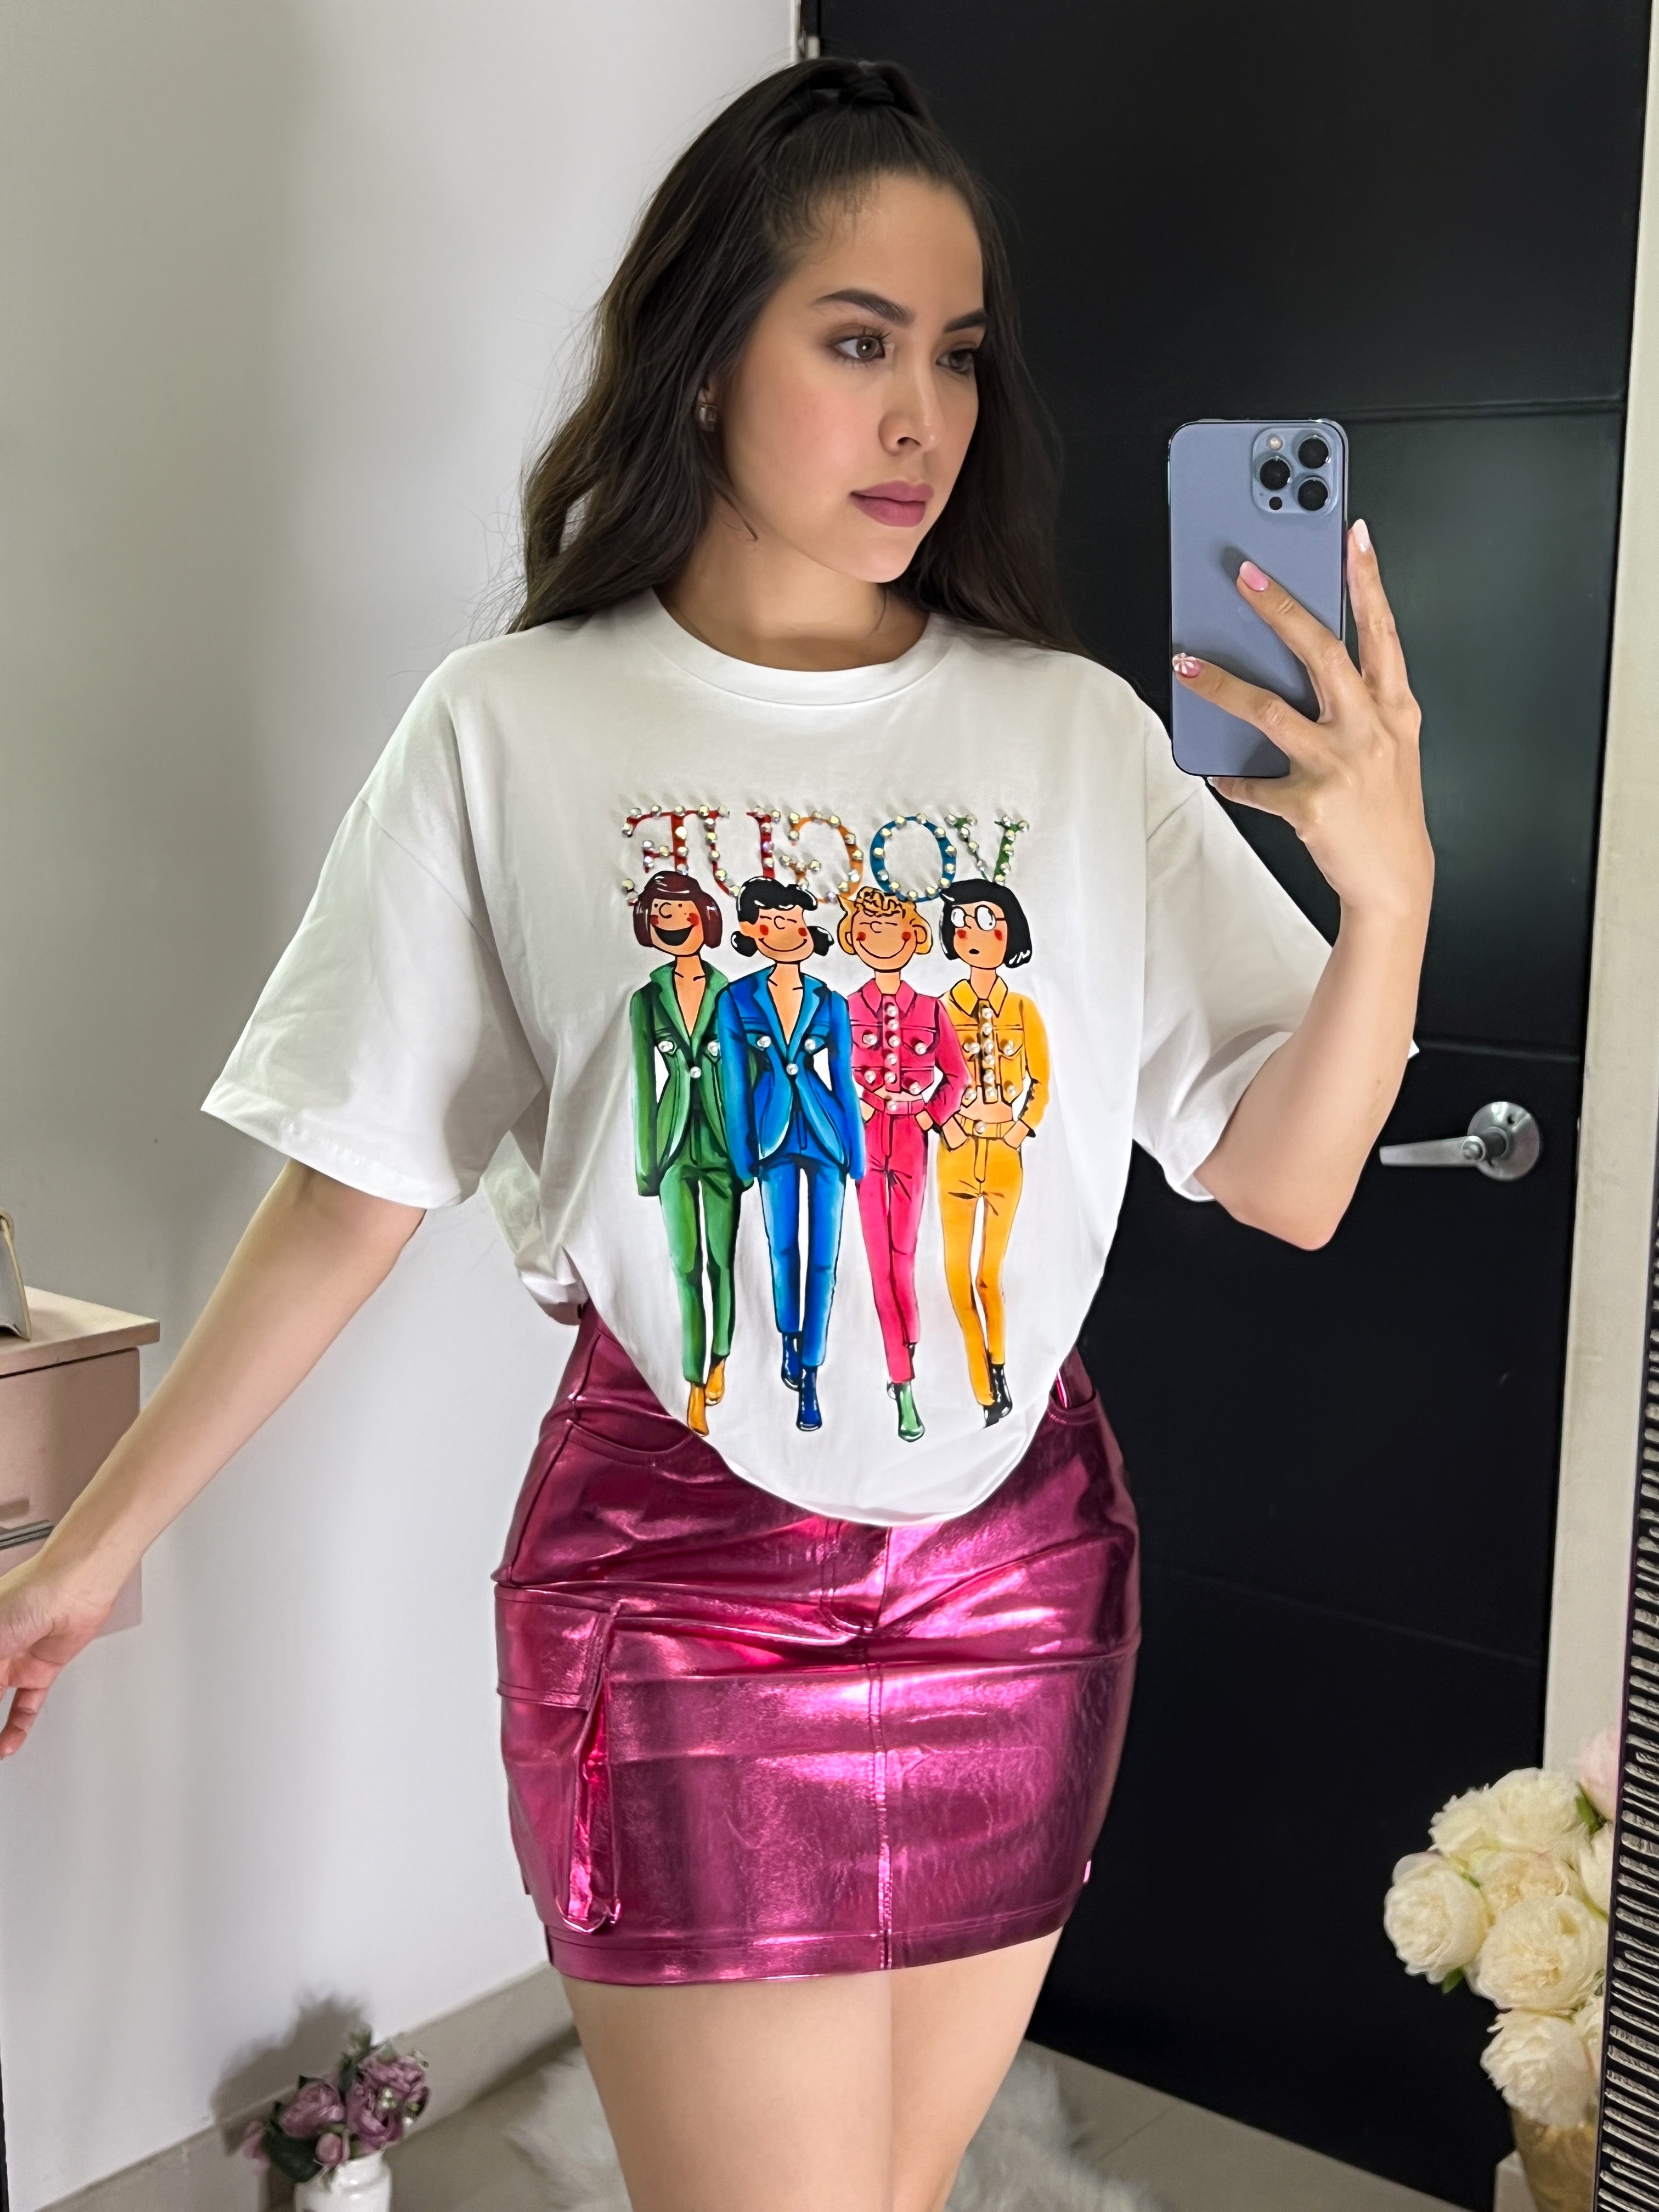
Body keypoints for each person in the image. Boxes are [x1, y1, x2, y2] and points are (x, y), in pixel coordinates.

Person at [0, 54, 1432, 2212]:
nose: (920, 419)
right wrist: (94, 1550)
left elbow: (1291, 1181)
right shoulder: (516, 725)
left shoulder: (1070, 734)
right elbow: (349, 1190)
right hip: (677, 1580)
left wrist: (1389, 897)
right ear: (699, 359)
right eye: (855, 343)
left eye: (957, 355)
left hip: (1021, 1574)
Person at [716, 877, 865, 1432]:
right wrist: (741, 1154)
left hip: (824, 1133)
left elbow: (844, 1080)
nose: (792, 930)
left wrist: (857, 1153)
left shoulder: (830, 1001)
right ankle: (788, 1336)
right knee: (783, 1249)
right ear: (753, 932)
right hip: (770, 1134)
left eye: (798, 921)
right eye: (778, 922)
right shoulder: (737, 999)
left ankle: (812, 1374)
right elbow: (734, 1082)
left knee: (825, 1256)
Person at [838, 883, 967, 1441]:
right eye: (871, 932)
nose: (883, 940)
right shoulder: (847, 1008)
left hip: (912, 1136)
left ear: (913, 938)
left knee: (904, 1257)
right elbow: (831, 1071)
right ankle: (903, 1383)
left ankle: (908, 1339)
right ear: (855, 939)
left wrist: (929, 1117)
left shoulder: (931, 1010)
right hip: (867, 1137)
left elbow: (956, 1076)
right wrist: (859, 1106)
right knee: (879, 1263)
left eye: (894, 931)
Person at [629, 870, 739, 1437]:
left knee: (723, 1261)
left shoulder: (731, 994)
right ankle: (693, 1382)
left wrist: (748, 1149)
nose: (672, 925)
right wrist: (646, 1166)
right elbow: (643, 1082)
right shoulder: (647, 1000)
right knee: (684, 1265)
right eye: (661, 917)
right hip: (673, 1145)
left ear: (705, 919)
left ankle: (722, 1354)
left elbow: (748, 1074)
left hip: (723, 1142)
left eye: (683, 915)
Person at [934, 879, 1047, 1424]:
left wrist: (1020, 1129)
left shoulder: (1022, 1010)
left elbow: (1040, 1083)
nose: (973, 934)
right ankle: (984, 1389)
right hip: (957, 1154)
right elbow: (928, 1078)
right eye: (962, 923)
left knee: (989, 1275)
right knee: (955, 1275)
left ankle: (1000, 1365)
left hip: (1003, 1155)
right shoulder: (941, 1008)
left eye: (987, 922)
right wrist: (950, 1125)